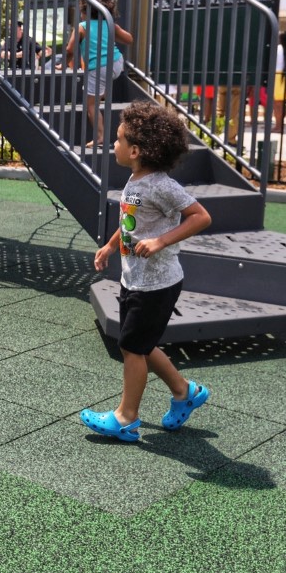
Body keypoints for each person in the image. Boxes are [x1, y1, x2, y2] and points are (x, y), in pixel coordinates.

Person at [81, 102, 213, 442]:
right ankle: (185, 392)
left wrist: (160, 241)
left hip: (156, 284)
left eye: (119, 139)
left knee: (132, 348)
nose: (114, 144)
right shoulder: (136, 180)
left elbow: (201, 216)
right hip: (134, 278)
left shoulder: (160, 185)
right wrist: (111, 246)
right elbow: (131, 224)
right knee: (140, 343)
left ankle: (126, 418)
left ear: (136, 150)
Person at [65, 0, 132, 148]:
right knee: (101, 86)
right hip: (116, 63)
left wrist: (65, 63)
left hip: (99, 68)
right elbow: (129, 39)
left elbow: (69, 49)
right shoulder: (109, 24)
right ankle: (101, 92)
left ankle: (100, 137)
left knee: (91, 105)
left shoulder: (82, 26)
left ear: (84, 10)